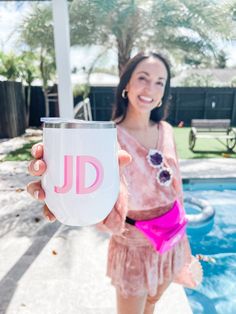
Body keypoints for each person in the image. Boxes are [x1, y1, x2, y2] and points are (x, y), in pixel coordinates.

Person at [27, 51, 202, 314]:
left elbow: (174, 186)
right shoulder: (106, 137)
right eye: (143, 78)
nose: (150, 88)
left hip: (172, 238)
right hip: (134, 245)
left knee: (153, 303)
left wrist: (184, 237)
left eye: (159, 82)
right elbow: (91, 182)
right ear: (126, 85)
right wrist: (62, 184)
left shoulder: (165, 129)